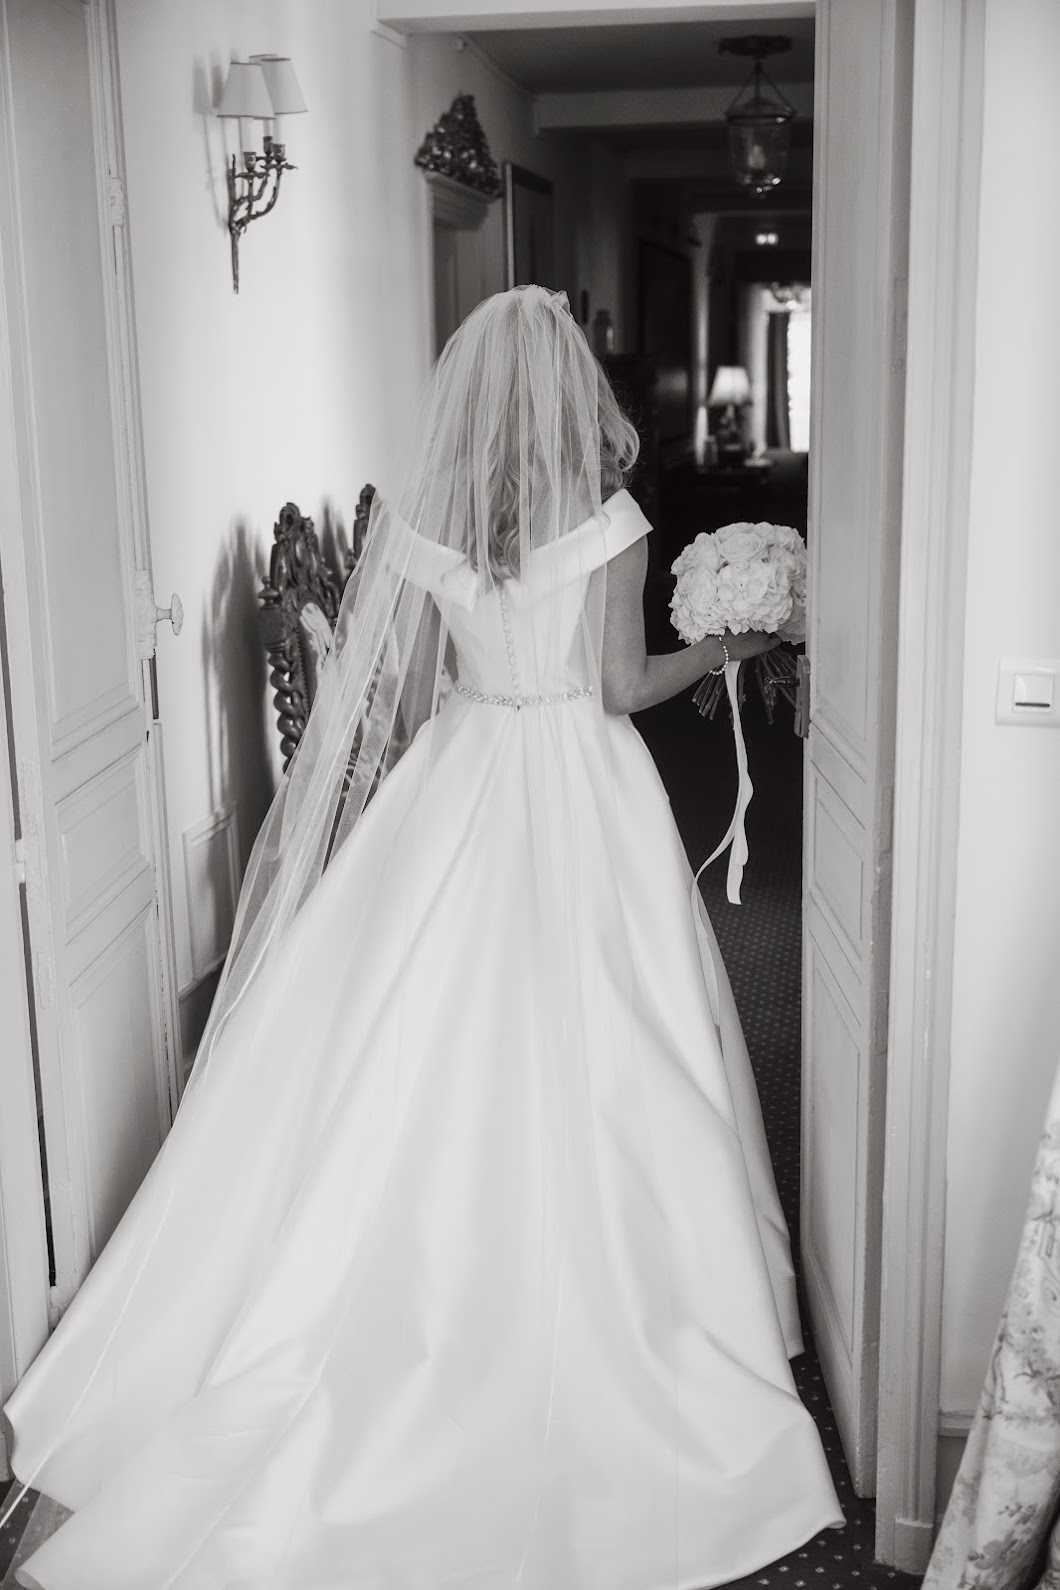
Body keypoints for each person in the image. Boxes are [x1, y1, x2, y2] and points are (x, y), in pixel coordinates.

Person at [1, 284, 843, 1589]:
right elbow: (620, 687)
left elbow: (395, 704)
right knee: (615, 1040)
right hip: (581, 786)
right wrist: (730, 648)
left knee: (398, 1035)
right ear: (570, 392)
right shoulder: (610, 524)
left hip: (459, 778)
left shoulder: (423, 526)